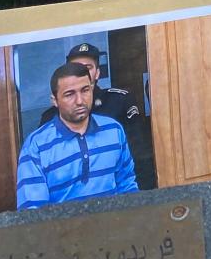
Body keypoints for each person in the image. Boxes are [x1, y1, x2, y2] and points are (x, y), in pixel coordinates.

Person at [17, 62, 137, 209]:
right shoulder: (36, 146)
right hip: (62, 224)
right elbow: (32, 211)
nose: (80, 101)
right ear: (55, 100)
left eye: (85, 90)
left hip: (114, 222)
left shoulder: (113, 130)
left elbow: (127, 187)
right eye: (69, 94)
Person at [37, 41, 154, 189]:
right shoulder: (51, 116)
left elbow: (139, 156)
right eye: (75, 66)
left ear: (97, 73)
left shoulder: (119, 101)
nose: (81, 72)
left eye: (88, 68)